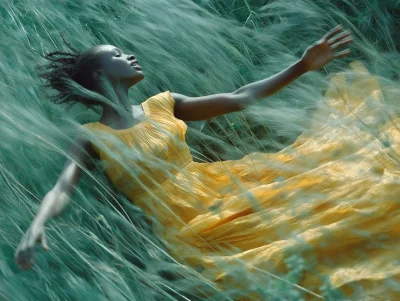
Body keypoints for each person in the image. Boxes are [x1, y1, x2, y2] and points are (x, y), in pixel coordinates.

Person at [15, 25, 374, 298]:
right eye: (118, 55)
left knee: (317, 211)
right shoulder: (93, 135)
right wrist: (37, 224)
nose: (130, 56)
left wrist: (302, 65)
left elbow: (238, 98)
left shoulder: (163, 104)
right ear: (99, 75)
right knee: (274, 266)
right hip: (187, 227)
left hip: (222, 189)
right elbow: (63, 187)